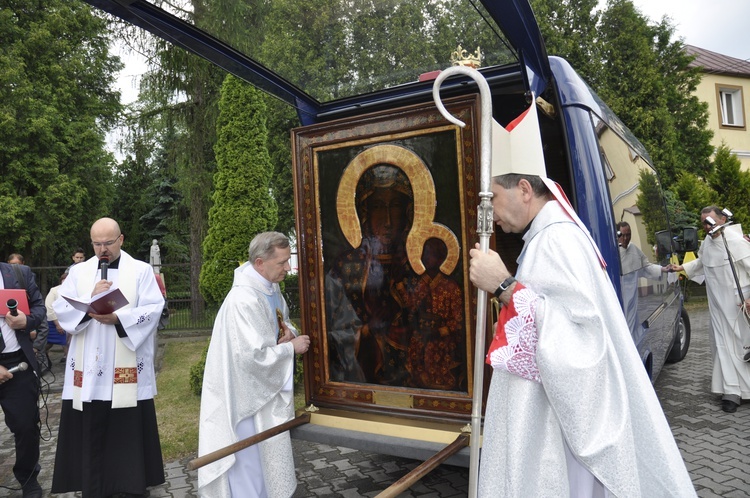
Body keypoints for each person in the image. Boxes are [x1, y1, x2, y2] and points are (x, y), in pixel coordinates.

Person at [468, 102, 695, 496]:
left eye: (493, 199)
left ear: (524, 189)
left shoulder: (557, 240)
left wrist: (503, 285)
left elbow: (582, 340)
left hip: (558, 426)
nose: (489, 214)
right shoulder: (546, 235)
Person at [51, 217, 166, 497]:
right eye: (97, 243)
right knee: (91, 428)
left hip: (124, 364)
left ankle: (130, 486)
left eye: (108, 243)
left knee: (126, 430)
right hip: (89, 369)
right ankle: (93, 486)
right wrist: (90, 300)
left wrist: (118, 318)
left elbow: (153, 308)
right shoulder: (79, 272)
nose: (103, 249)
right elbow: (62, 309)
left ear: (121, 240)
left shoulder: (139, 270)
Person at [198, 232, 310, 498]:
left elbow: (282, 320)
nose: (288, 268)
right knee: (249, 461)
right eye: (282, 262)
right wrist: (290, 349)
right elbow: (251, 358)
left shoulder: (270, 288)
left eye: (288, 260)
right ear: (260, 263)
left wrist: (288, 333)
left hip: (261, 393)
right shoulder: (244, 300)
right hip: (245, 400)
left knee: (266, 461)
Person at [325, 164, 415, 385]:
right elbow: (333, 325)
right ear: (364, 213)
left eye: (394, 205)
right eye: (377, 206)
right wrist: (364, 332)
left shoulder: (418, 264)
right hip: (361, 372)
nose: (387, 220)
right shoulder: (346, 266)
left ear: (407, 211)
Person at [668, 206, 750, 413]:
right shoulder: (706, 245)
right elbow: (702, 262)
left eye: (710, 222)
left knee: (742, 346)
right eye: (703, 222)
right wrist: (683, 268)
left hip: (739, 305)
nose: (706, 227)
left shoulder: (737, 242)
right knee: (722, 346)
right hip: (716, 306)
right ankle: (731, 391)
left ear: (723, 219)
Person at [0, 260, 46, 497]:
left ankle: (28, 478)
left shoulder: (19, 273)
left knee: (27, 425)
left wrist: (27, 321)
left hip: (18, 362)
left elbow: (40, 308)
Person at [616, 221, 669, 333]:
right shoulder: (613, 252)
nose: (625, 238)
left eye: (628, 235)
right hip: (619, 298)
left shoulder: (634, 249)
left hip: (632, 299)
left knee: (632, 328)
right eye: (623, 235)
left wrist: (663, 269)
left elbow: (646, 266)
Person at [45, 273, 69, 360]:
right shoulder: (54, 290)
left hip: (69, 322)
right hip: (53, 321)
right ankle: (40, 355)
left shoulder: (75, 290)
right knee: (48, 343)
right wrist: (57, 324)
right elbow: (49, 307)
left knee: (67, 343)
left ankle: (69, 363)